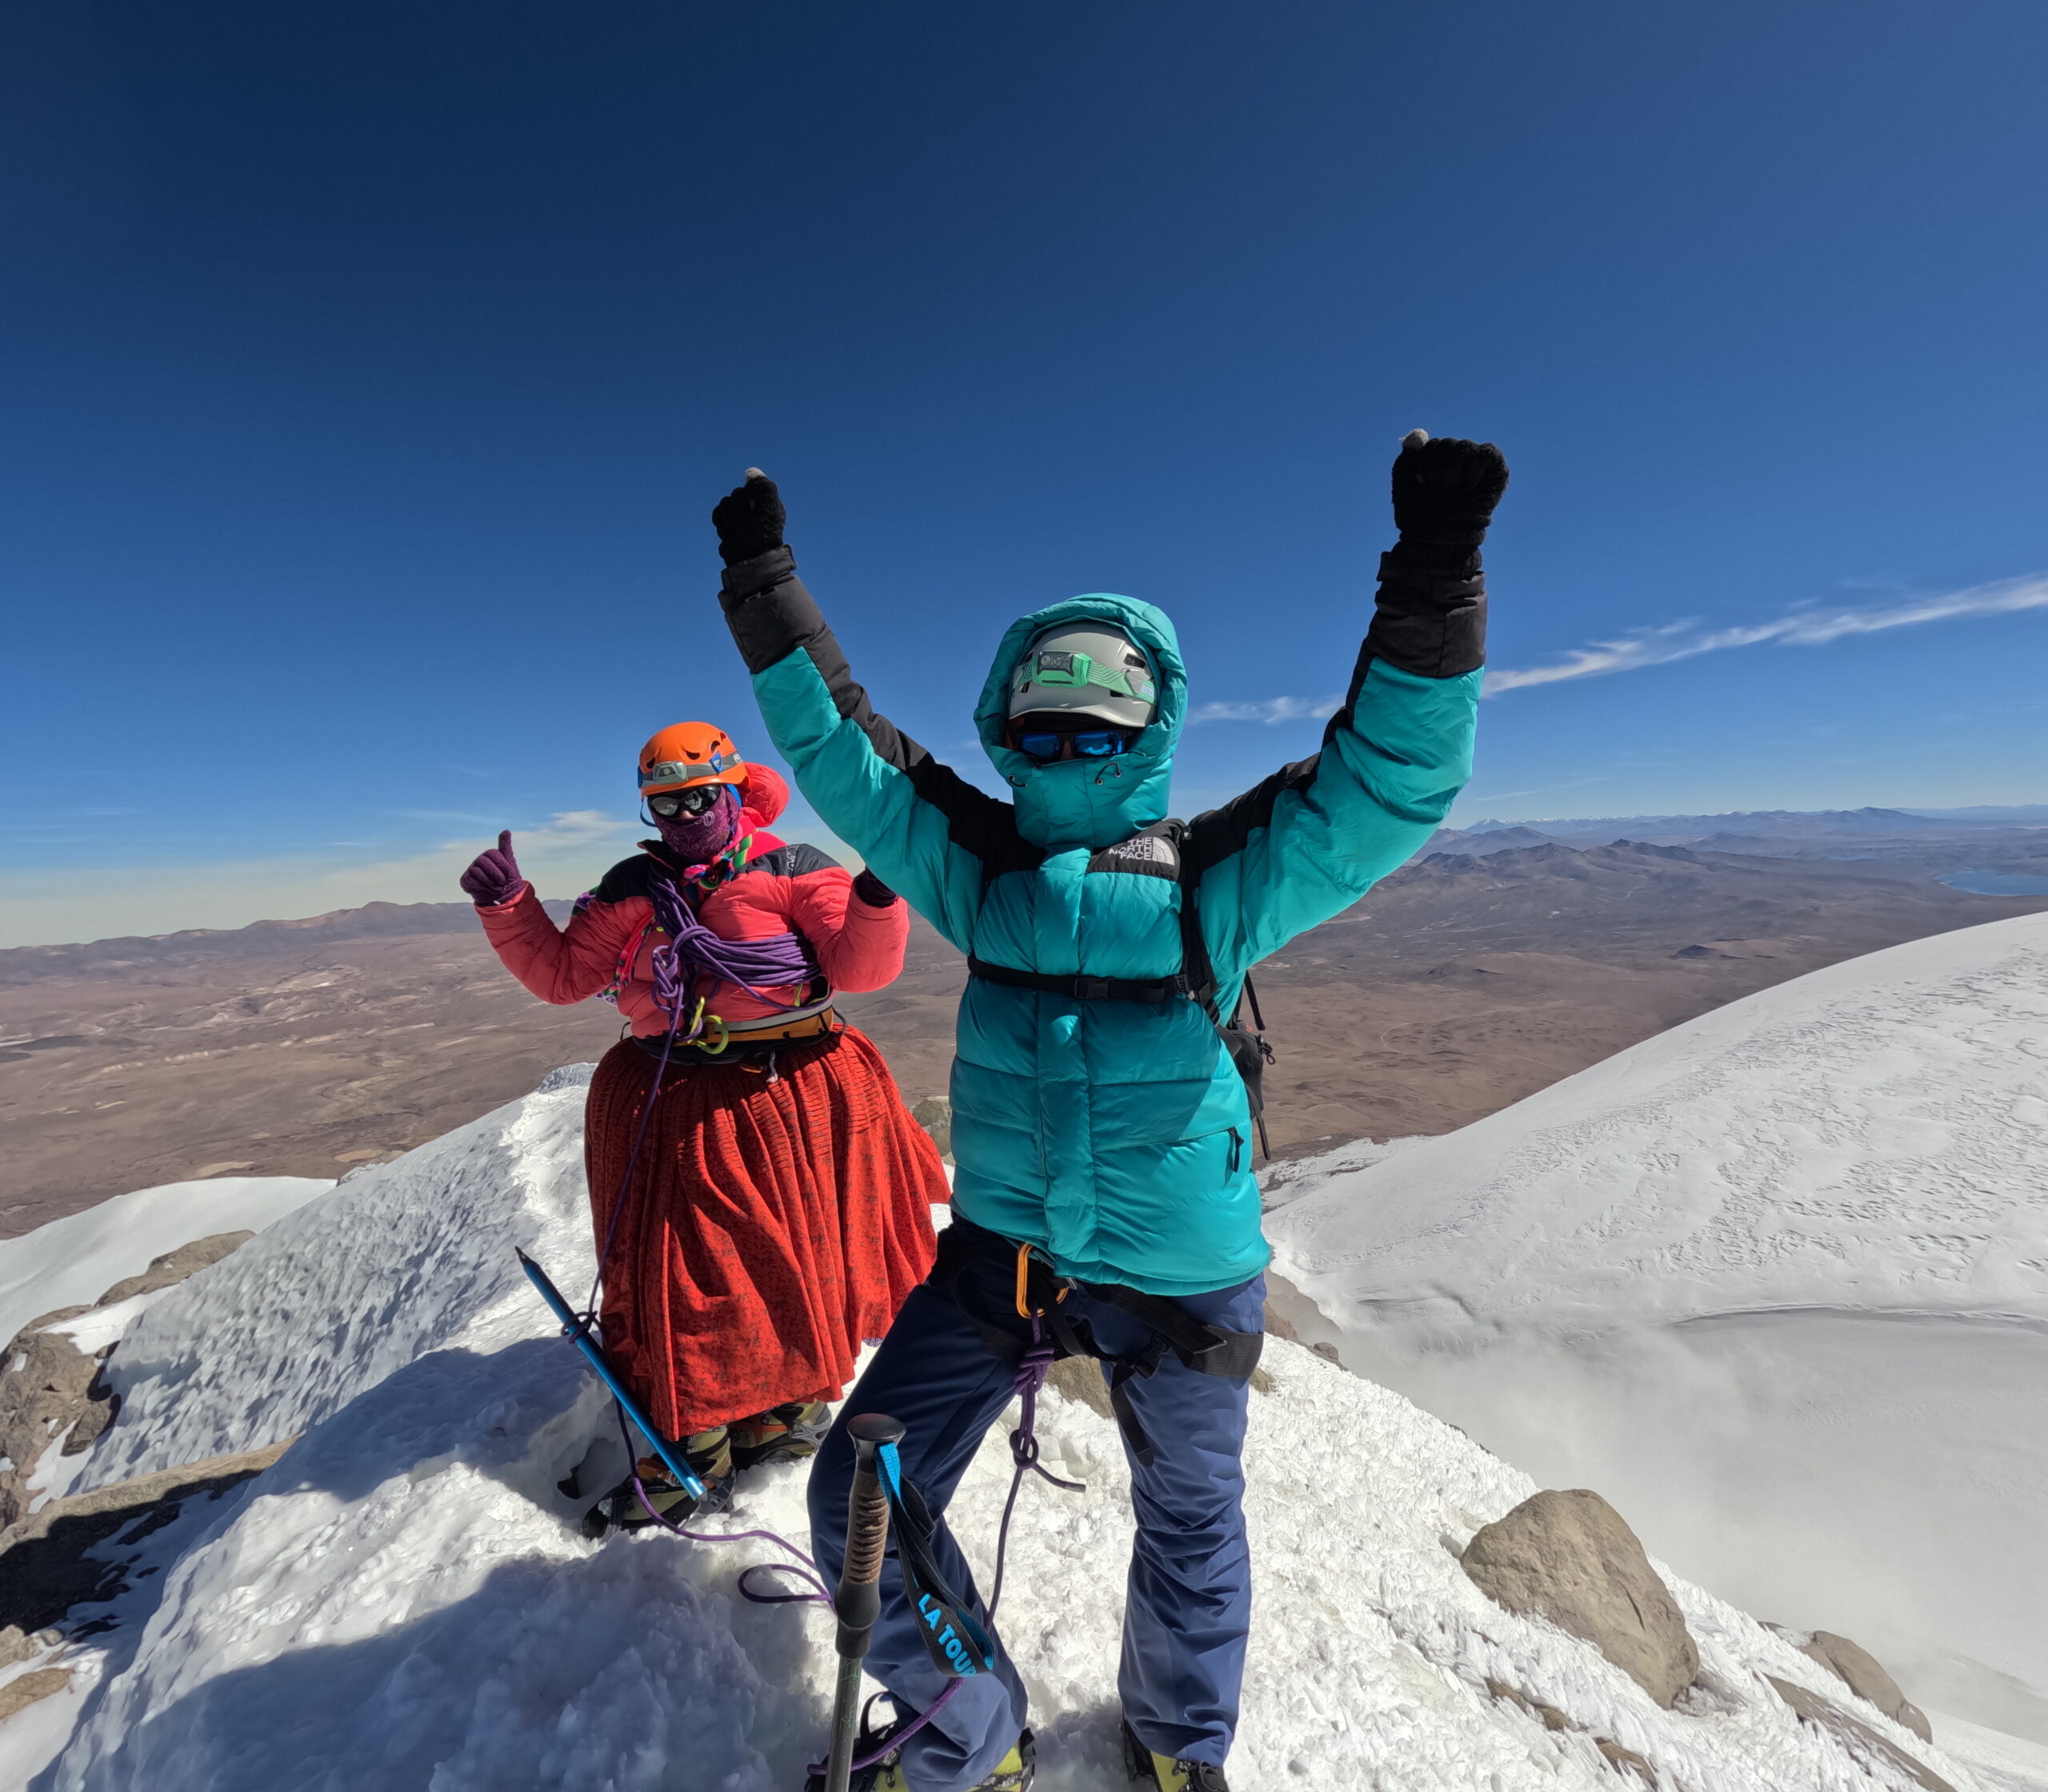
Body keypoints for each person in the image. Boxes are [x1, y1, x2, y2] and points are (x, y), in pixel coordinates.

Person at [710, 432, 1506, 1792]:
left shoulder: (1214, 880)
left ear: (1152, 727)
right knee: (857, 1493)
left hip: (1176, 1276)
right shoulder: (990, 866)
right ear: (1003, 726)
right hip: (1011, 1255)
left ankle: (1175, 1744)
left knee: (1191, 1525)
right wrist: (764, 583)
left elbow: (1385, 785)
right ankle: (970, 1725)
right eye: (1043, 724)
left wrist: (1433, 577)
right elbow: (845, 754)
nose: (1068, 747)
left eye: (1098, 724)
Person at [457, 725, 950, 1530]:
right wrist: (507, 906)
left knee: (785, 1259)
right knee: (698, 1275)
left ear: (732, 789)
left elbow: (861, 967)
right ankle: (702, 1440)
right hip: (684, 1092)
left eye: (697, 795)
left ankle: (772, 1420)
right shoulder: (633, 885)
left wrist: (877, 895)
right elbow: (564, 974)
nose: (683, 813)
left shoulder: (792, 868)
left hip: (782, 1090)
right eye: (663, 801)